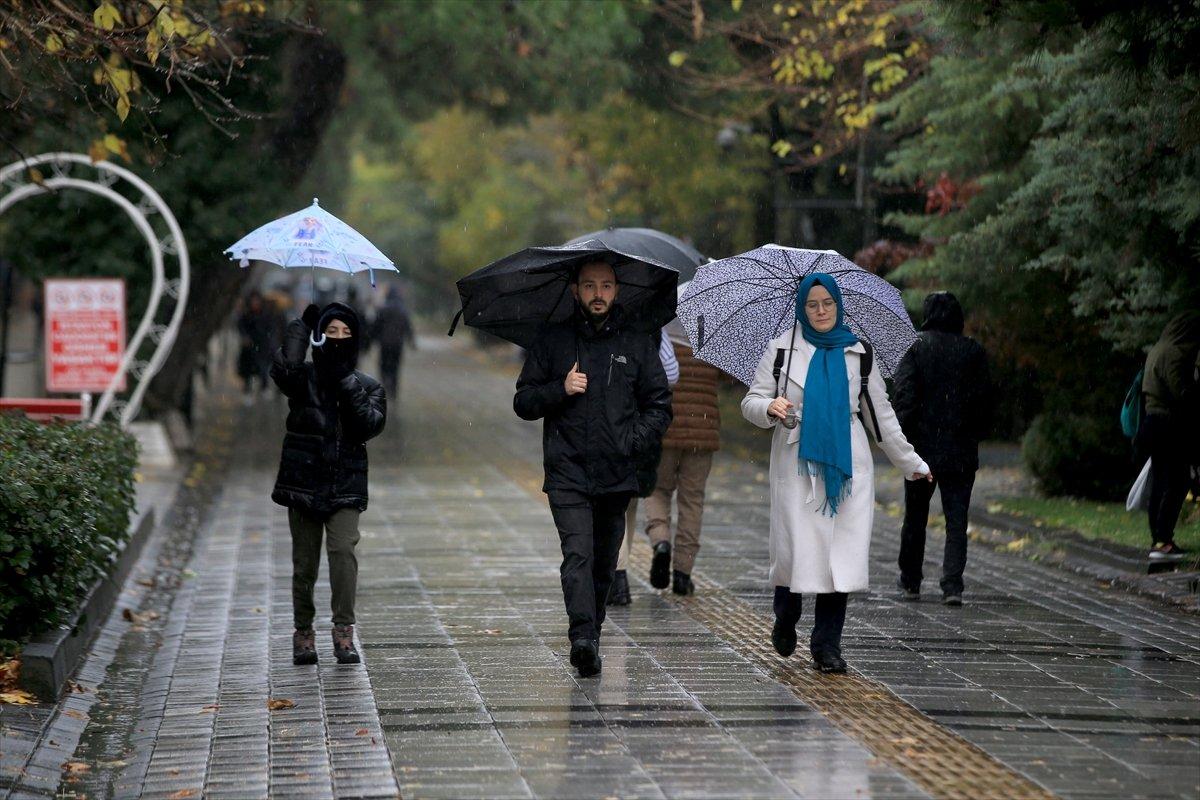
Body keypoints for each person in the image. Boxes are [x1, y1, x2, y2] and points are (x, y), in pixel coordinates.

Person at [741, 273, 930, 674]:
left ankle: (827, 644)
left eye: (828, 303)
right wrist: (768, 408)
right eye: (812, 304)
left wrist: (911, 463)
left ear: (839, 305)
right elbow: (751, 401)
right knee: (794, 549)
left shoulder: (859, 353)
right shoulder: (781, 350)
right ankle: (786, 614)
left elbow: (881, 418)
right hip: (796, 461)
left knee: (838, 558)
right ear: (801, 308)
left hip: (847, 465)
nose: (821, 311)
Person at [514, 260, 672, 677]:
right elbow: (524, 402)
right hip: (567, 469)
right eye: (589, 285)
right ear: (575, 290)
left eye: (605, 285)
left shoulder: (636, 342)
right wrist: (559, 390)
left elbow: (659, 405)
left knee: (604, 560)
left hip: (616, 472)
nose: (597, 293)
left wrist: (631, 442)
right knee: (578, 555)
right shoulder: (554, 340)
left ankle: (593, 632)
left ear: (617, 290)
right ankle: (582, 637)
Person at [271, 302, 387, 665]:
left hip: (346, 484)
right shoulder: (303, 379)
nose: (338, 339)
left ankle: (343, 632)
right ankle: (303, 632)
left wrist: (345, 382)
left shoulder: (368, 386)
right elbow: (283, 369)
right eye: (330, 331)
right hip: (303, 482)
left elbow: (369, 425)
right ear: (321, 336)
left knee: (342, 553)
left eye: (345, 333)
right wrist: (301, 328)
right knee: (304, 564)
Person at [891, 292, 991, 606]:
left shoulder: (915, 347)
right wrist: (973, 432)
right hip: (960, 450)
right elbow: (985, 401)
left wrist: (904, 437)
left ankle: (910, 580)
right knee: (956, 520)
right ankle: (952, 585)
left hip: (921, 449)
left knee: (915, 516)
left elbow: (904, 396)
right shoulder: (972, 351)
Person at [610, 327, 720, 603]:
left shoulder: (660, 345)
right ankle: (683, 572)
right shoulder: (711, 352)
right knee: (692, 499)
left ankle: (661, 541)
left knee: (657, 491)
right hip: (703, 435)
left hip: (666, 433)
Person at [610, 328, 678, 605]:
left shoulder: (600, 326)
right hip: (641, 429)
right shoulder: (653, 326)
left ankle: (616, 575)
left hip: (616, 426)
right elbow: (672, 374)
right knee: (626, 506)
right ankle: (619, 577)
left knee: (610, 506)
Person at [1140, 311, 1200, 560]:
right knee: (1176, 481)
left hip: (1152, 420)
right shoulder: (1174, 353)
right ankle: (1163, 540)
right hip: (1168, 423)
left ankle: (1159, 539)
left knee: (1162, 481)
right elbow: (1180, 391)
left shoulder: (1158, 349)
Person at [369, 287, 416, 399]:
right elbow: (408, 327)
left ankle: (384, 383)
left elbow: (376, 326)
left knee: (383, 364)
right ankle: (393, 389)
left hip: (385, 343)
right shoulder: (403, 310)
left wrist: (371, 339)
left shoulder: (383, 309)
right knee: (395, 366)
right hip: (398, 344)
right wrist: (411, 341)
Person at [237, 290, 278, 404]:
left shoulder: (266, 314)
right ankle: (247, 392)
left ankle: (264, 388)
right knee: (248, 372)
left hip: (263, 347)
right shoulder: (246, 315)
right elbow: (241, 326)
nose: (255, 303)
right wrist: (245, 337)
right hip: (249, 348)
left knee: (263, 369)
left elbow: (271, 328)